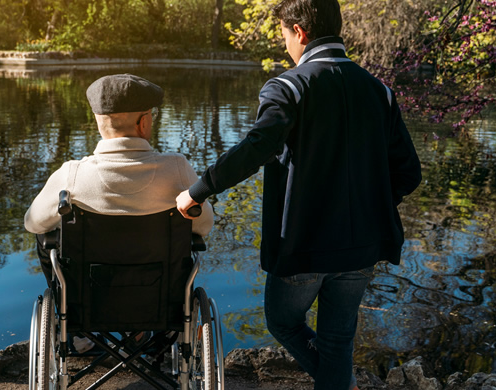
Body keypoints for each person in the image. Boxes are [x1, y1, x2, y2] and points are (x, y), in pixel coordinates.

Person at [175, 0, 422, 388]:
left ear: (300, 32)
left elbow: (256, 148)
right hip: (362, 246)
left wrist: (199, 190)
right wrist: (371, 202)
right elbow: (409, 173)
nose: (285, 45)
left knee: (284, 322)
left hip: (305, 242)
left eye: (284, 35)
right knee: (338, 343)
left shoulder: (288, 86)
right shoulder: (380, 91)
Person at [25, 73, 215, 283]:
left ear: (99, 124)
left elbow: (32, 223)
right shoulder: (177, 169)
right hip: (162, 300)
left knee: (46, 235)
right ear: (143, 123)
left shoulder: (72, 175)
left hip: (87, 302)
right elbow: (204, 226)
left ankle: (63, 296)